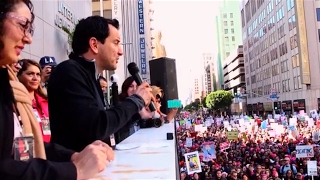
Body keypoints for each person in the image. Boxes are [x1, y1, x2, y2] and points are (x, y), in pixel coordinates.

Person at [0, 0, 114, 179]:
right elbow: (5, 167)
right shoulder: (69, 72)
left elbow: (22, 147)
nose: (28, 38)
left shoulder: (7, 86)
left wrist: (73, 156)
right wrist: (74, 170)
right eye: (23, 25)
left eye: (30, 30)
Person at [47, 16, 154, 152]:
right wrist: (136, 100)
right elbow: (96, 126)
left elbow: (108, 126)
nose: (121, 51)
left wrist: (137, 114)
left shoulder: (91, 76)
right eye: (116, 43)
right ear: (94, 45)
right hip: (76, 170)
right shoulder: (69, 72)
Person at [17, 59, 51, 142]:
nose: (35, 78)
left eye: (38, 74)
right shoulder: (14, 103)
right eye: (30, 74)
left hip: (49, 150)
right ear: (18, 75)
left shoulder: (46, 102)